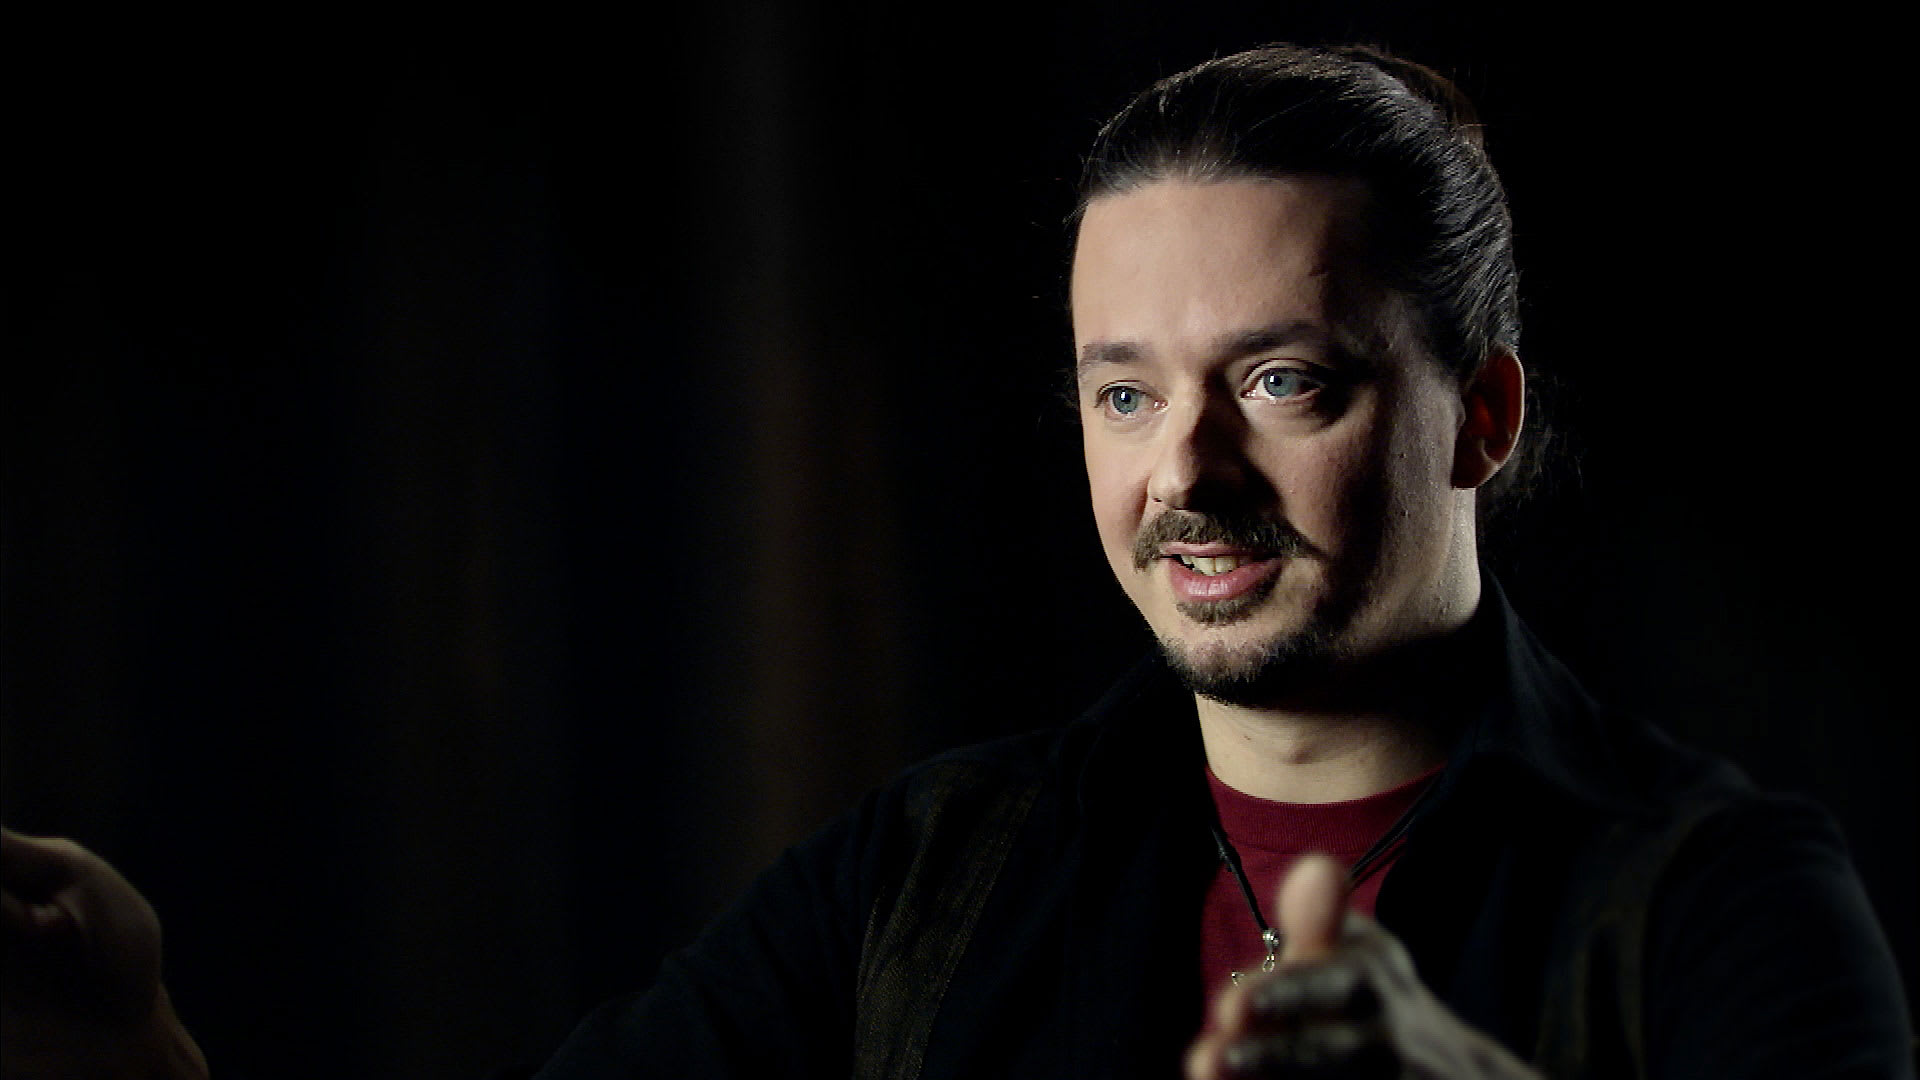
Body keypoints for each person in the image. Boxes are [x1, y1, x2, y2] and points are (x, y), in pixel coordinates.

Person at [2, 43, 1911, 1080]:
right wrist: (135, 1050)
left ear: (1480, 416)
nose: (1187, 473)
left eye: (1282, 381)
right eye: (1124, 393)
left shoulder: (1719, 901)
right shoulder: (934, 873)